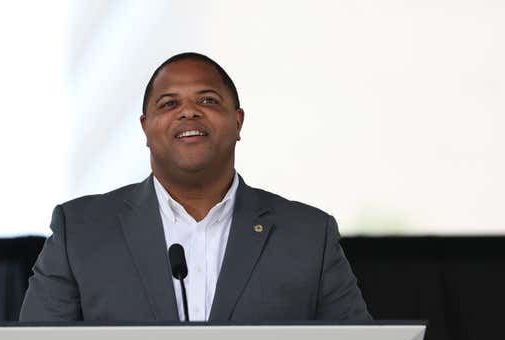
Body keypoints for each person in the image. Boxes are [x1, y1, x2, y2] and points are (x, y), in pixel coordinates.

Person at [19, 52, 371, 322]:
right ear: (145, 127)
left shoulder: (309, 234)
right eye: (169, 104)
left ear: (238, 121)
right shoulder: (80, 230)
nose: (189, 112)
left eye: (207, 101)